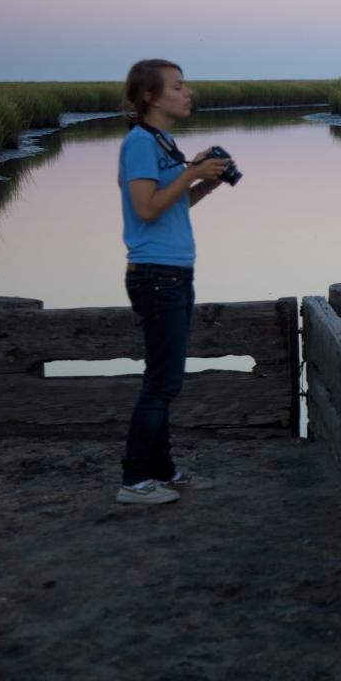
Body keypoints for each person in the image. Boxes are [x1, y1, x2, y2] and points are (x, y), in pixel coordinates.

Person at [115, 59, 235, 505]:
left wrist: (205, 184)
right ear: (150, 96)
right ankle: (134, 481)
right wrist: (190, 172)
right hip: (155, 274)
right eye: (178, 87)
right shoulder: (139, 144)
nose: (188, 93)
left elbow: (172, 204)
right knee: (163, 383)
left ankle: (163, 472)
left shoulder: (162, 142)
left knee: (162, 379)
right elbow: (145, 209)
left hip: (175, 271)